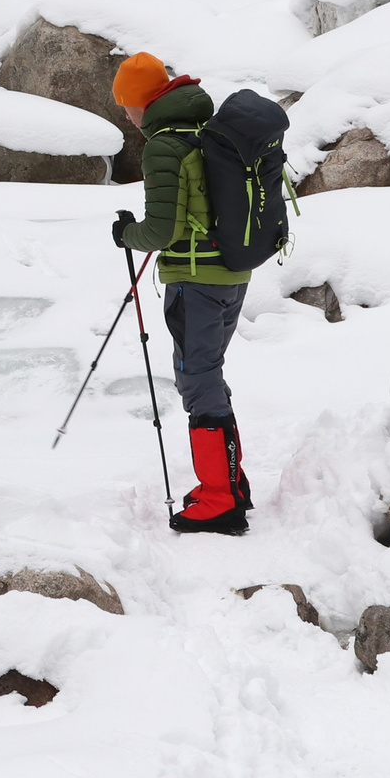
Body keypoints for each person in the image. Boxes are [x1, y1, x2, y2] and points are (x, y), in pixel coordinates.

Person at [108, 51, 253, 536]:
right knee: (208, 374)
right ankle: (231, 483)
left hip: (196, 282)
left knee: (197, 381)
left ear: (140, 102)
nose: (126, 116)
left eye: (125, 105)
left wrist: (128, 235)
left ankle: (220, 499)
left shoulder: (164, 146)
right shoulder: (205, 130)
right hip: (232, 274)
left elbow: (163, 230)